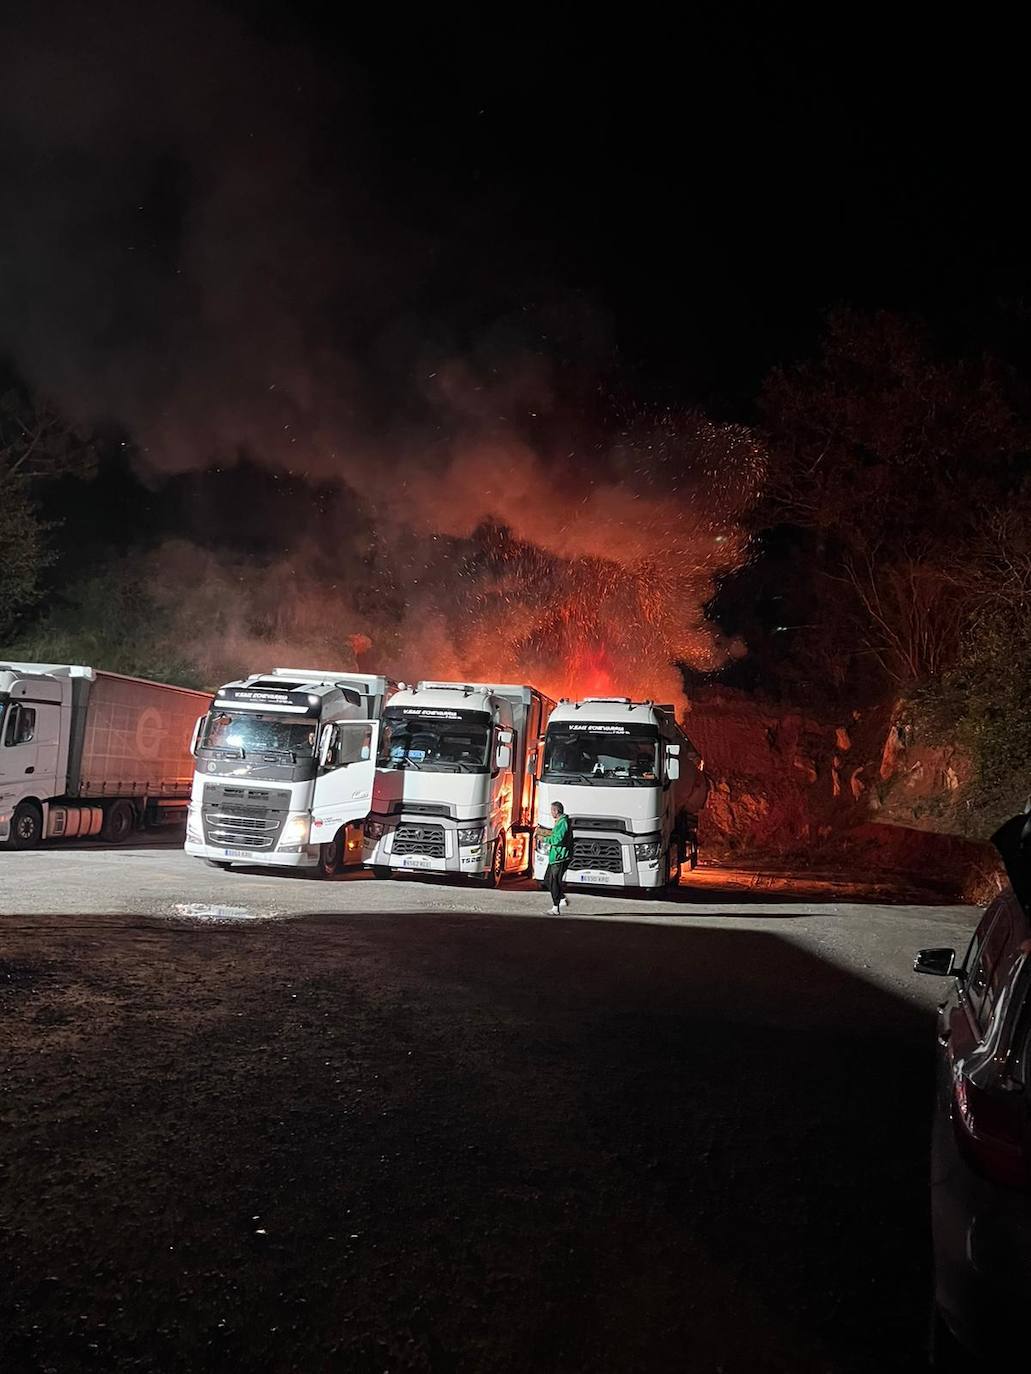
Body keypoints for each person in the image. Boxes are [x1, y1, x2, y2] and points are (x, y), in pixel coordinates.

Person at [543, 800, 571, 914]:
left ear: (556, 810)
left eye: (552, 810)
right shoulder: (559, 822)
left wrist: (544, 839)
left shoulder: (563, 823)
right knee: (547, 880)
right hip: (554, 856)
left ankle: (556, 907)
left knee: (554, 881)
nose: (551, 813)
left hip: (559, 857)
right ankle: (562, 899)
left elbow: (557, 839)